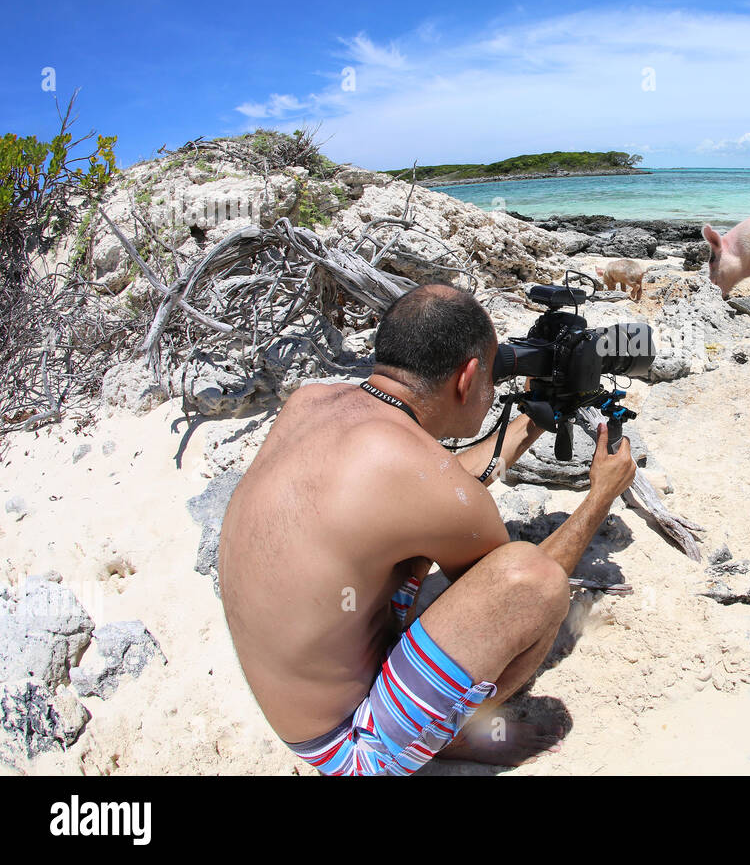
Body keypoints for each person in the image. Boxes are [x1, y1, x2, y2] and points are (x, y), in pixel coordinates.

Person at [218, 283, 638, 775]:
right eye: (492, 376)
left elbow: (435, 487)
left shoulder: (312, 402)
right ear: (466, 378)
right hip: (349, 747)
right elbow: (514, 589)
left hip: (293, 708)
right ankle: (450, 736)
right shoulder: (426, 481)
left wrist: (533, 419)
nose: (493, 389)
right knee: (536, 583)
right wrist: (599, 497)